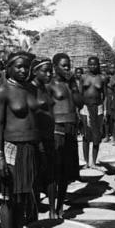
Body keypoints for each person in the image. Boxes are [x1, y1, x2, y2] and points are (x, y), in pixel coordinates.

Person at [0, 51, 41, 228]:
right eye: (19, 66)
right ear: (9, 67)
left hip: (29, 148)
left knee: (23, 196)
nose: (23, 70)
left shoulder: (31, 89)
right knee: (8, 197)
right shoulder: (3, 91)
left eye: (26, 67)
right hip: (11, 147)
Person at [45, 53, 83, 218]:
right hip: (56, 128)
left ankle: (60, 207)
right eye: (64, 66)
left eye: (68, 65)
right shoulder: (49, 84)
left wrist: (74, 84)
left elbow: (79, 103)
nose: (67, 68)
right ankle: (52, 209)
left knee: (65, 172)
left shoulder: (71, 84)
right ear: (55, 67)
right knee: (54, 170)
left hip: (71, 128)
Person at [30, 58, 56, 214]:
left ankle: (53, 210)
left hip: (49, 137)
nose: (49, 74)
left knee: (51, 174)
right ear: (34, 72)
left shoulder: (46, 88)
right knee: (36, 175)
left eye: (50, 71)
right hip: (37, 139)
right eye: (45, 71)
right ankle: (35, 209)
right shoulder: (29, 91)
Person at [79, 57, 105, 167]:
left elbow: (105, 95)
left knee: (96, 136)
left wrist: (104, 109)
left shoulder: (102, 78)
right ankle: (86, 162)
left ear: (98, 65)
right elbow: (80, 94)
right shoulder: (83, 77)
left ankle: (93, 161)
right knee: (86, 135)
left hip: (98, 107)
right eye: (91, 64)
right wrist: (78, 109)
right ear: (88, 65)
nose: (93, 66)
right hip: (85, 108)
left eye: (95, 64)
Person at [102, 62, 115, 143]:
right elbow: (105, 93)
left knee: (114, 119)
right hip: (107, 99)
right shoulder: (106, 80)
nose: (111, 69)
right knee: (106, 118)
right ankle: (107, 136)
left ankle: (114, 136)